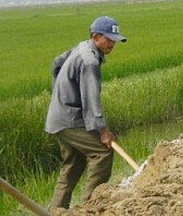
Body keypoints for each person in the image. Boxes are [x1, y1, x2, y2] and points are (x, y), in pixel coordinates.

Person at [45, 16, 128, 210]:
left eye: (114, 40)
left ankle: (56, 212)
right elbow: (91, 101)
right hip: (69, 120)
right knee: (102, 153)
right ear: (95, 36)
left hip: (59, 117)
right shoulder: (89, 60)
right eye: (108, 39)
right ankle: (90, 207)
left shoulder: (81, 48)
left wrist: (59, 96)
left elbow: (56, 64)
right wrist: (103, 130)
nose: (112, 44)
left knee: (73, 165)